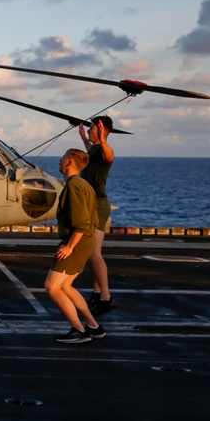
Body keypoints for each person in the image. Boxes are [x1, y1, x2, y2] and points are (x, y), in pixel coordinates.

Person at [46, 149, 105, 344]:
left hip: (77, 241)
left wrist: (70, 246)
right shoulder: (82, 184)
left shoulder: (74, 186)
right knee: (66, 286)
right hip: (85, 240)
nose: (60, 160)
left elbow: (81, 222)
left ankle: (78, 329)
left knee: (52, 286)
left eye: (63, 158)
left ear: (70, 163)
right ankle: (94, 327)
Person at [78, 115, 116, 316]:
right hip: (89, 204)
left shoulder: (104, 150)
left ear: (100, 130)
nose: (90, 132)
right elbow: (89, 149)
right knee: (90, 254)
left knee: (94, 253)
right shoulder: (94, 148)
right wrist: (83, 134)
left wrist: (103, 138)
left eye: (92, 129)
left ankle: (106, 298)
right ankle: (97, 292)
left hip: (98, 205)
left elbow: (110, 157)